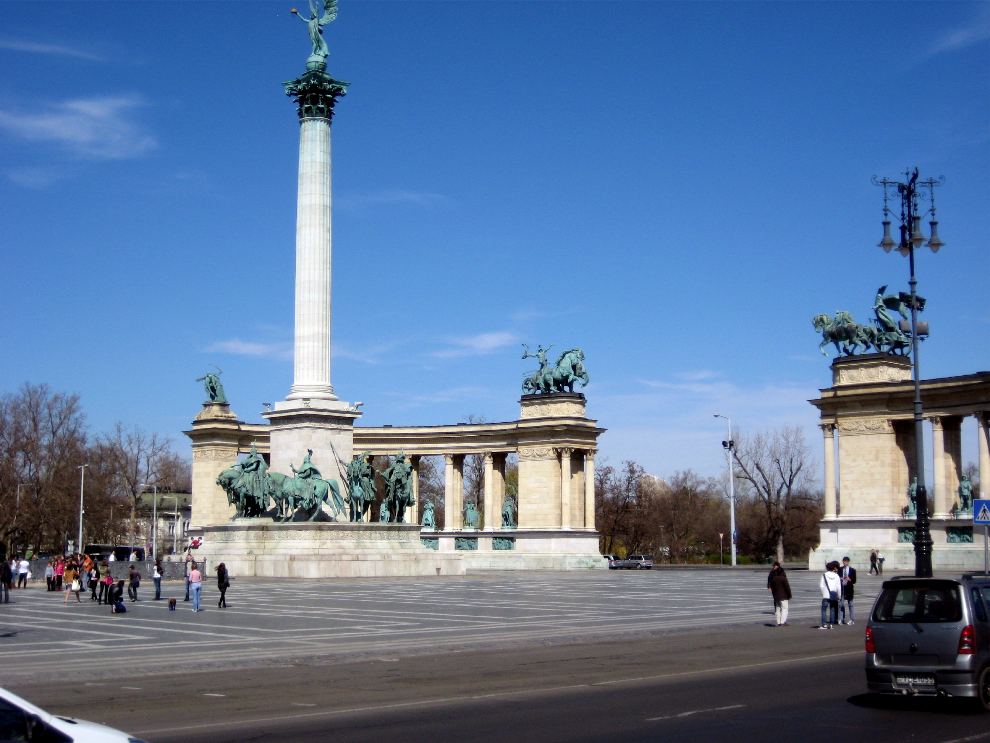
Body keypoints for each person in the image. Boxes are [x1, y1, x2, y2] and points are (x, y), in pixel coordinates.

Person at [767, 561, 792, 626]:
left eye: (774, 566)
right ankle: (782, 622)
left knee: (778, 608)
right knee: (784, 608)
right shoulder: (783, 578)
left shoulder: (773, 578)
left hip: (776, 595)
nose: (773, 567)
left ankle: (779, 622)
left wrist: (769, 587)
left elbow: (770, 581)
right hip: (783, 595)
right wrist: (789, 595)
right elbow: (787, 587)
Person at [819, 561, 841, 629]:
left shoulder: (824, 575)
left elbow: (821, 585)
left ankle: (824, 624)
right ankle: (831, 624)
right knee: (832, 609)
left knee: (824, 610)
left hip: (826, 595)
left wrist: (823, 593)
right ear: (833, 568)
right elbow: (839, 587)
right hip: (834, 595)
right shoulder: (836, 575)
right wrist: (839, 595)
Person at [839, 556, 857, 625]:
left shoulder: (853, 570)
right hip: (842, 588)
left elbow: (854, 581)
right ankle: (841, 619)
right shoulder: (840, 569)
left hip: (849, 589)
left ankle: (852, 620)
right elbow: (837, 578)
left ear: (848, 562)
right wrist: (841, 578)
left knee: (850, 604)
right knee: (841, 605)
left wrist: (850, 579)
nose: (845, 562)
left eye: (846, 561)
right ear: (842, 562)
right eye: (844, 561)